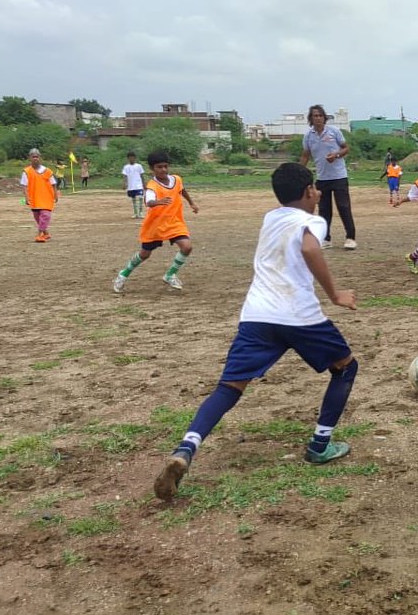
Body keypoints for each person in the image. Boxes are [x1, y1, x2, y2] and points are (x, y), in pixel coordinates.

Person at [153, 162, 359, 501]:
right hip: (298, 315)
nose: (320, 192)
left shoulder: (270, 217)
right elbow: (309, 248)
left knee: (230, 387)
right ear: (309, 192)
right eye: (316, 189)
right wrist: (336, 294)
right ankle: (320, 445)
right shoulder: (314, 220)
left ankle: (185, 448)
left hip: (257, 315)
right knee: (346, 367)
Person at [112, 151, 199, 293]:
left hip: (174, 222)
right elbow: (148, 201)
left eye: (165, 166)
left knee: (187, 247)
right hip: (156, 225)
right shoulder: (152, 185)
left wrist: (192, 203)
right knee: (144, 254)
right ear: (152, 169)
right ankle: (123, 274)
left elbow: (182, 190)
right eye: (159, 167)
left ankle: (170, 275)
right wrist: (158, 202)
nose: (163, 169)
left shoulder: (176, 179)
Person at [299, 104, 357, 250]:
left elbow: (346, 148)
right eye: (314, 116)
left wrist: (336, 155)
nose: (318, 118)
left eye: (320, 115)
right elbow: (306, 155)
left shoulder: (334, 131)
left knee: (343, 207)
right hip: (322, 178)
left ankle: (350, 237)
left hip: (339, 176)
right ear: (311, 119)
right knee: (324, 210)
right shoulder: (308, 136)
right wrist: (299, 172)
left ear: (324, 118)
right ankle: (326, 238)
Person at [21, 148, 59, 243]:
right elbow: (24, 186)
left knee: (45, 215)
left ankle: (39, 235)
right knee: (38, 218)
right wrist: (26, 197)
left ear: (40, 158)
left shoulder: (47, 171)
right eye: (33, 157)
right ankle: (46, 233)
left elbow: (53, 184)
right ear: (30, 158)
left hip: (46, 198)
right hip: (34, 198)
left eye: (37, 157)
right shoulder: (26, 171)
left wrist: (56, 195)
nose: (35, 159)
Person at [122, 151, 146, 219]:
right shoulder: (126, 167)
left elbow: (142, 175)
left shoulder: (139, 166)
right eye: (130, 158)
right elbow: (125, 176)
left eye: (132, 157)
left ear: (135, 158)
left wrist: (144, 184)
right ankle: (136, 213)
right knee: (134, 200)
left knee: (140, 198)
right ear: (128, 158)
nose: (131, 159)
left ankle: (140, 213)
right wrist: (124, 183)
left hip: (138, 185)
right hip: (131, 186)